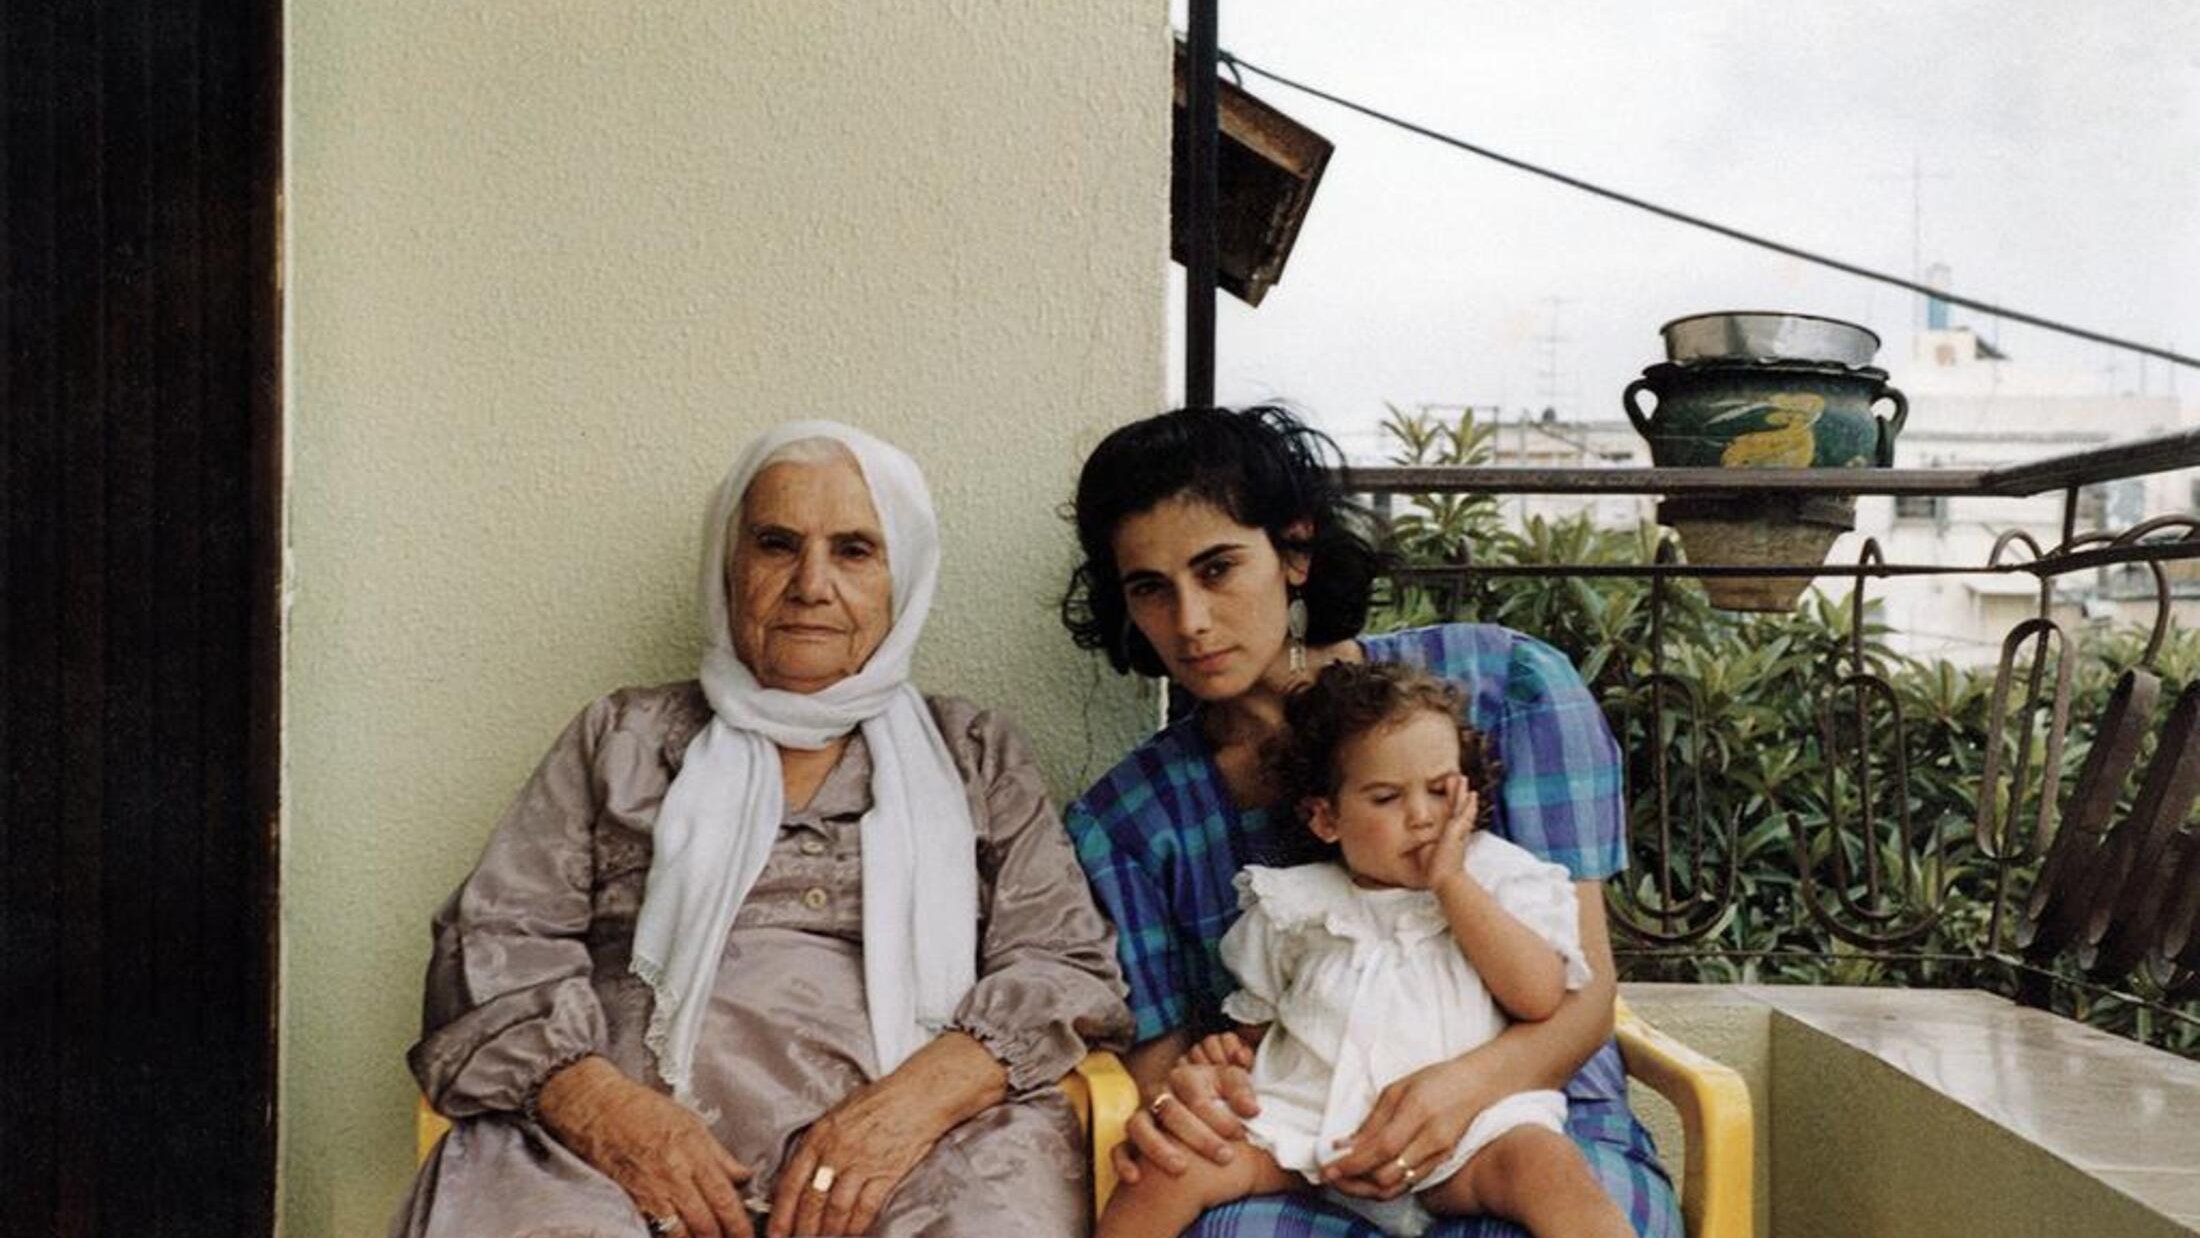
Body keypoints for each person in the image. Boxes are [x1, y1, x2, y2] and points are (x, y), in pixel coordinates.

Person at [392, 421, 1132, 1238]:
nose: (811, 584)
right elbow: (498, 933)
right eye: (777, 544)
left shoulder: (973, 755)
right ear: (729, 567)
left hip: (918, 1148)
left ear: (905, 576)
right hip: (612, 1157)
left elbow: (1062, 960)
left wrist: (908, 1108)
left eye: (855, 550)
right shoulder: (624, 738)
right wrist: (600, 1108)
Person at [1060, 405, 1681, 1238]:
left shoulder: (1504, 688)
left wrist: (1462, 1088)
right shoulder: (1128, 823)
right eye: (1150, 589)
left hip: (1531, 1112)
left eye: (1217, 570)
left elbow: (1582, 992)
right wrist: (1199, 1089)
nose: (1190, 622)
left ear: (1296, 551)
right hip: (1298, 1130)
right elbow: (1166, 1061)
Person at [1095, 661, 1635, 1238]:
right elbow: (1261, 1024)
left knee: (1549, 1169)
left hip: (1471, 1139)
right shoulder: (1294, 906)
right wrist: (1227, 1056)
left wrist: (1452, 884)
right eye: (1386, 798)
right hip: (1308, 1135)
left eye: (1440, 790)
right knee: (1165, 1172)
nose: (1423, 816)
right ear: (1326, 817)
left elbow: (1539, 995)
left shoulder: (1498, 878)